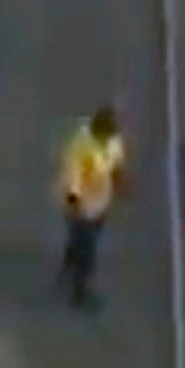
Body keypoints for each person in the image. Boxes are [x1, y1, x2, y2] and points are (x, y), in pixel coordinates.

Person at [57, 107, 128, 311]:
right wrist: (75, 204)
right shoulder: (82, 144)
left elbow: (116, 164)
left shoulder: (112, 140)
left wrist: (121, 184)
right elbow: (73, 176)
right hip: (82, 206)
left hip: (100, 202)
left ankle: (70, 259)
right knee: (88, 251)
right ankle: (80, 293)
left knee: (86, 239)